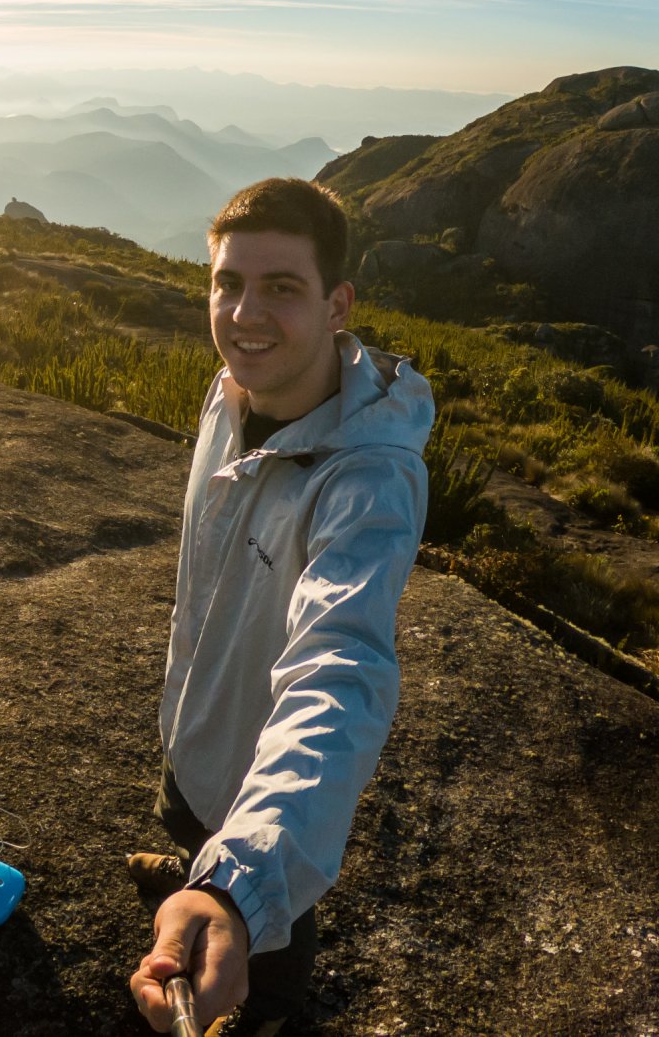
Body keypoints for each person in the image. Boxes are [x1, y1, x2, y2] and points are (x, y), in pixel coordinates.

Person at [128, 178, 434, 1037]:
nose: (244, 314)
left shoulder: (368, 480)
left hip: (268, 792)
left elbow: (341, 669)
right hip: (196, 725)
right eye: (227, 283)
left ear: (338, 305)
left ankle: (256, 977)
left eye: (282, 287)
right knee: (182, 813)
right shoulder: (231, 393)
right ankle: (185, 865)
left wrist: (240, 887)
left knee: (272, 954)